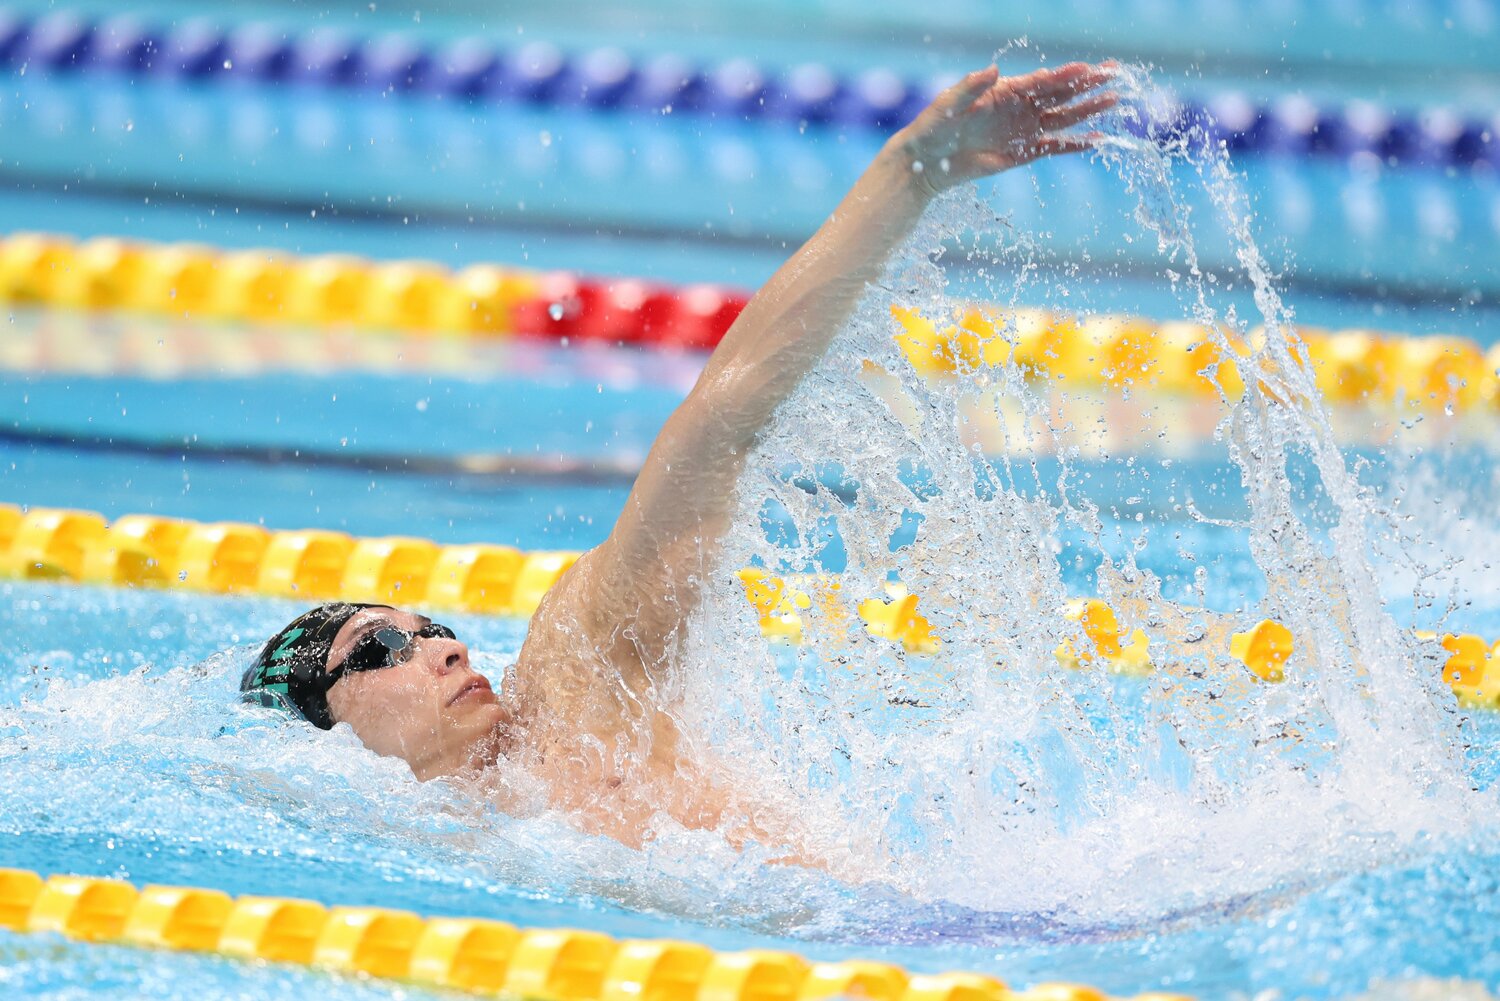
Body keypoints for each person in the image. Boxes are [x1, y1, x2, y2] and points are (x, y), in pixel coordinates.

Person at [241, 62, 1119, 850]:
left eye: (431, 629)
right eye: (380, 648)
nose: (441, 649)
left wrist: (907, 176)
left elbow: (720, 421)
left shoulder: (573, 684)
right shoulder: (426, 832)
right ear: (329, 733)